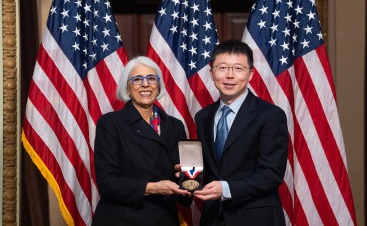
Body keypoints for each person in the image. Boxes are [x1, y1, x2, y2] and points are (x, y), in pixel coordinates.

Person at [193, 39, 289, 226]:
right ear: (211, 73)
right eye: (222, 68)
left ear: (250, 74)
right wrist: (189, 176)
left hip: (255, 218)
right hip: (213, 219)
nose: (230, 75)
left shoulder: (270, 116)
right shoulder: (202, 117)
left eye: (238, 68)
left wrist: (226, 188)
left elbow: (271, 173)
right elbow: (210, 169)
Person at [92, 56, 190, 226]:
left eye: (152, 78)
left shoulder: (175, 125)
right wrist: (154, 187)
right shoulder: (110, 123)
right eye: (137, 79)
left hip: (164, 218)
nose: (145, 84)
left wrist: (190, 178)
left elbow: (185, 181)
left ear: (158, 86)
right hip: (123, 218)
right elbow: (107, 183)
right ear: (127, 88)